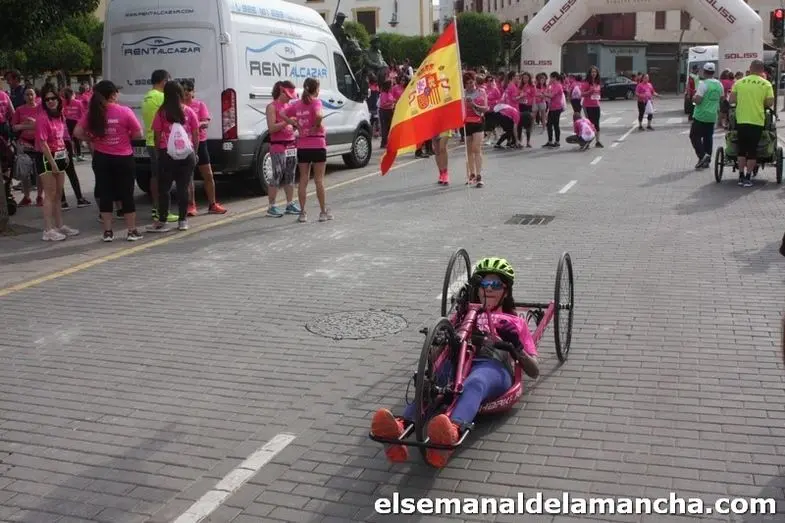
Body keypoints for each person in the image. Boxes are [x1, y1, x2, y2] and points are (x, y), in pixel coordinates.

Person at [369, 257, 539, 468]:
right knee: (432, 382)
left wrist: (515, 346)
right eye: (484, 283)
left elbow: (534, 370)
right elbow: (434, 354)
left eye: (495, 284)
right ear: (477, 288)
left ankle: (452, 430)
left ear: (506, 290)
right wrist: (439, 341)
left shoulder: (515, 322)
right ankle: (400, 426)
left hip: (492, 365)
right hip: (459, 361)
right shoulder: (463, 315)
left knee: (475, 382)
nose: (488, 289)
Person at [74, 80, 144, 242]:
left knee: (105, 194)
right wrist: (125, 137)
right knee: (127, 194)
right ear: (113, 95)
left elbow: (77, 132)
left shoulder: (92, 113)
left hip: (102, 158)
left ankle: (107, 232)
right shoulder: (124, 111)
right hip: (123, 158)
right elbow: (139, 134)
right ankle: (131, 231)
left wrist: (92, 139)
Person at [147, 81, 200, 232]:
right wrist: (195, 152)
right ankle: (183, 221)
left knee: (164, 189)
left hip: (167, 154)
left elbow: (157, 135)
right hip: (187, 154)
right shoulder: (189, 111)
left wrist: (159, 152)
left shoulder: (161, 113)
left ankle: (162, 221)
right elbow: (196, 134)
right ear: (180, 93)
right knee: (183, 188)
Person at [35, 84, 80, 241]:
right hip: (46, 157)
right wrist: (52, 163)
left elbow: (62, 136)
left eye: (53, 98)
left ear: (58, 99)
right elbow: (42, 143)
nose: (51, 101)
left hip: (60, 154)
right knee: (50, 193)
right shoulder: (42, 118)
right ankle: (48, 229)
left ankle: (60, 225)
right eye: (47, 99)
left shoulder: (60, 115)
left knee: (59, 193)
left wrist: (66, 152)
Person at [285, 77, 332, 223]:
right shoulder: (316, 102)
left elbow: (282, 113)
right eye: (318, 88)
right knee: (319, 180)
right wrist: (316, 126)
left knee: (303, 180)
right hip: (317, 144)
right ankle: (323, 212)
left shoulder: (297, 104)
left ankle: (302, 213)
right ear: (315, 89)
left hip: (303, 146)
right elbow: (319, 115)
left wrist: (295, 124)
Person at [181, 79, 227, 216]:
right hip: (185, 144)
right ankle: (191, 205)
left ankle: (213, 204)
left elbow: (205, 122)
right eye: (183, 91)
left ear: (193, 92)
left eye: (188, 90)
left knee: (208, 174)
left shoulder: (199, 105)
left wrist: (195, 125)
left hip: (200, 143)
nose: (186, 93)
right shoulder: (179, 108)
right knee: (188, 176)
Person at [729, 60, 775, 187]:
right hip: (757, 121)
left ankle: (740, 176)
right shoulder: (766, 84)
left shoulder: (739, 82)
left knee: (742, 149)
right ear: (762, 70)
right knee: (752, 150)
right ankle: (748, 177)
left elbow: (732, 100)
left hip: (741, 119)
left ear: (750, 68)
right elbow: (770, 103)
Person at [142, 70, 178, 223]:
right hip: (161, 142)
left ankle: (156, 208)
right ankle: (162, 211)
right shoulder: (161, 97)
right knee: (164, 179)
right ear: (164, 81)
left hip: (150, 141)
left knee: (155, 176)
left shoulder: (147, 97)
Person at [265, 80, 301, 217]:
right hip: (278, 145)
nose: (290, 98)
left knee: (290, 174)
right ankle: (271, 206)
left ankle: (290, 203)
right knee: (277, 174)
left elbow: (294, 124)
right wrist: (287, 121)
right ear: (281, 91)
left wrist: (296, 125)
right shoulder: (272, 107)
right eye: (288, 95)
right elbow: (271, 128)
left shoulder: (290, 106)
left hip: (291, 144)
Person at [690, 63, 723, 170]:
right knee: (708, 138)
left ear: (704, 72)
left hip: (700, 115)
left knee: (694, 136)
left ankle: (702, 156)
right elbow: (722, 99)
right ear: (713, 72)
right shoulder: (719, 84)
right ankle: (706, 161)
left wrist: (694, 98)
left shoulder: (703, 84)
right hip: (712, 116)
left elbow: (698, 100)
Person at [463, 71, 488, 186]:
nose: (470, 85)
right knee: (469, 151)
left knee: (476, 148)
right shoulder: (462, 94)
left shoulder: (481, 92)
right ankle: (471, 174)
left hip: (478, 122)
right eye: (467, 83)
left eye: (472, 82)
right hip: (466, 123)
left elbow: (485, 108)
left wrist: (474, 105)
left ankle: (479, 176)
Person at [581, 66, 604, 148]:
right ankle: (587, 142)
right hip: (588, 106)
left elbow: (598, 93)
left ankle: (598, 141)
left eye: (595, 72)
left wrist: (598, 96)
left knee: (597, 123)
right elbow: (582, 94)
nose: (594, 73)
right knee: (590, 124)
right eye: (592, 72)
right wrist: (590, 92)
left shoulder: (597, 83)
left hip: (596, 105)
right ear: (589, 73)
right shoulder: (586, 83)